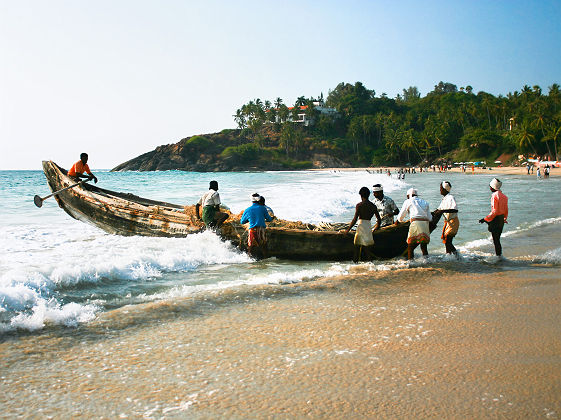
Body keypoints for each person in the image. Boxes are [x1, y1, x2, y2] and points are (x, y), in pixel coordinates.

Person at [342, 187, 381, 263]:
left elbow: (355, 219)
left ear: (360, 195)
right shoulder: (373, 206)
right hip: (368, 226)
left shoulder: (359, 205)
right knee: (367, 248)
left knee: (357, 247)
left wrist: (347, 230)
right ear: (368, 195)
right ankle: (370, 264)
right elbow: (379, 220)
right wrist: (376, 228)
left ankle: (355, 264)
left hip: (361, 226)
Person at [395, 188, 432, 260]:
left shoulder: (408, 201)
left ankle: (411, 263)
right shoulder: (425, 202)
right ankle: (427, 261)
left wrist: (398, 221)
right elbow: (430, 218)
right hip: (425, 224)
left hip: (415, 223)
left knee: (410, 246)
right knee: (423, 246)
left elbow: (401, 216)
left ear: (409, 196)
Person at [479, 178, 508, 257]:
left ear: (493, 187)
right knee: (497, 240)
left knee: (496, 240)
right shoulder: (504, 196)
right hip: (501, 219)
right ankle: (499, 256)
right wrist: (504, 218)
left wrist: (485, 219)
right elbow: (506, 210)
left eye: (490, 186)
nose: (489, 188)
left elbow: (494, 211)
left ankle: (498, 257)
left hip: (496, 219)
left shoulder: (494, 196)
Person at [240, 193, 273, 258]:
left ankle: (249, 259)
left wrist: (249, 219)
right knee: (264, 247)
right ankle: (266, 260)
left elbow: (242, 221)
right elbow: (269, 219)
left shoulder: (247, 210)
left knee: (250, 247)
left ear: (252, 200)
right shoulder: (263, 208)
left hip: (252, 230)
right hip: (261, 229)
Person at [433, 181, 459, 255]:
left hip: (453, 222)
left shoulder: (451, 197)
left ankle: (458, 257)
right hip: (448, 222)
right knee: (447, 242)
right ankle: (449, 256)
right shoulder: (444, 199)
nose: (440, 190)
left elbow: (455, 209)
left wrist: (442, 211)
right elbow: (438, 210)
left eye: (441, 188)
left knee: (448, 241)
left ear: (445, 189)